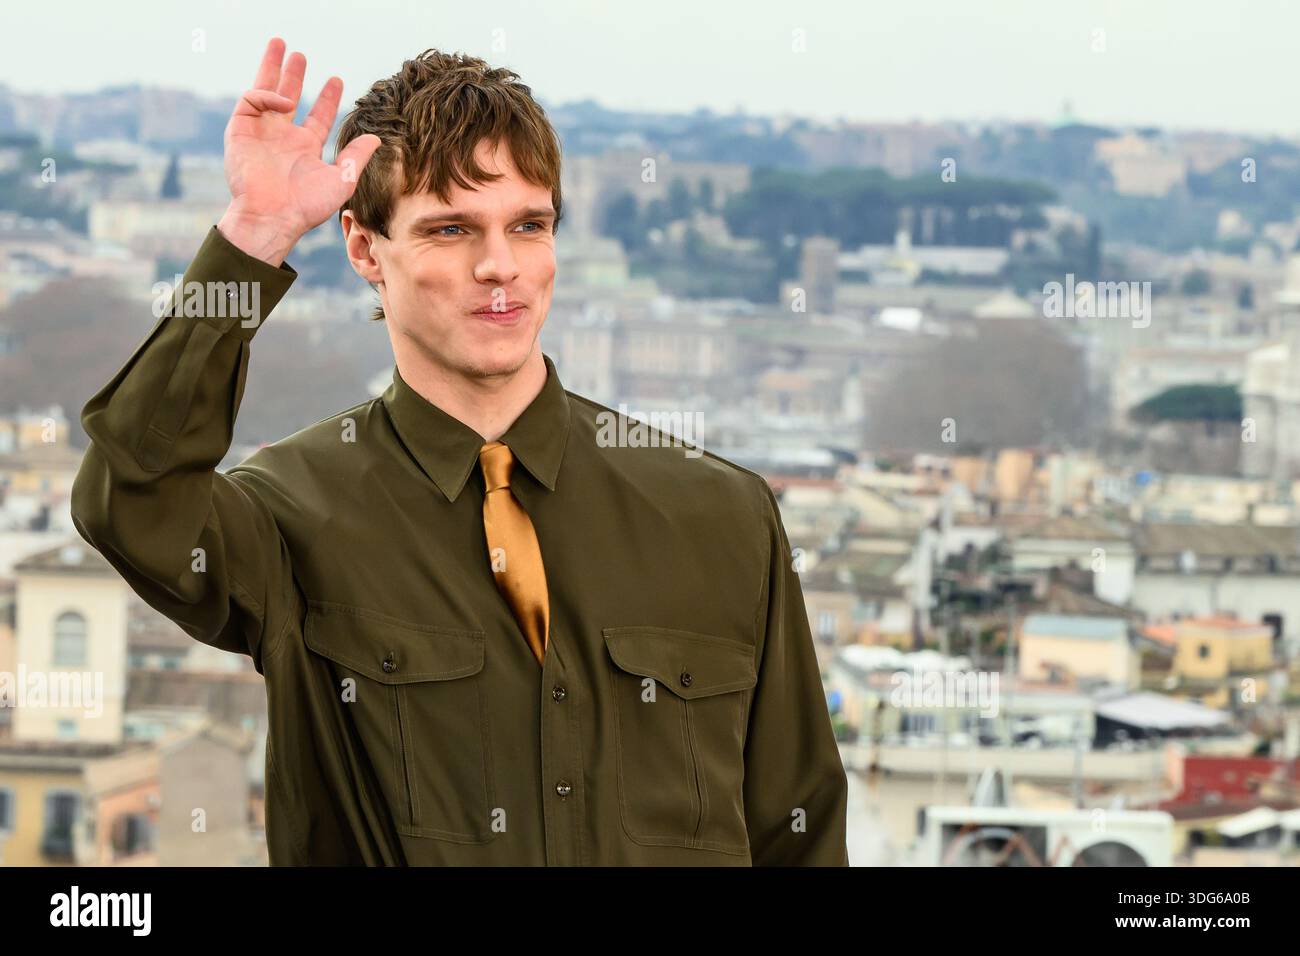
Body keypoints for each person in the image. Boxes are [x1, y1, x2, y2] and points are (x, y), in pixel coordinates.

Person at [70, 36, 849, 866]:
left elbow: (797, 827)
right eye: (450, 228)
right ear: (366, 248)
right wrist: (252, 238)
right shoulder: (287, 515)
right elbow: (129, 494)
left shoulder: (721, 514)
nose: (499, 266)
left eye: (529, 224)